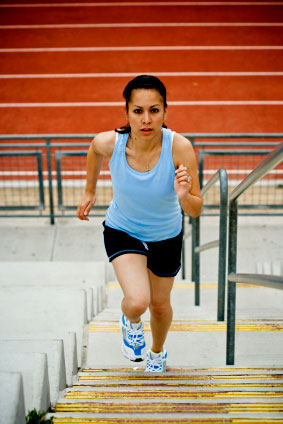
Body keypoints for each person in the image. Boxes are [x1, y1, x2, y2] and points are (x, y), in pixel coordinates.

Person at [77, 75, 202, 373]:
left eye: (155, 110)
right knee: (137, 302)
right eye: (138, 111)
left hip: (166, 235)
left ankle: (157, 353)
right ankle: (130, 322)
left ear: (166, 112)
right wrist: (90, 191)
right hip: (124, 230)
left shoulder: (180, 148)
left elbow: (195, 209)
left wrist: (183, 195)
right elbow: (94, 150)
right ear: (127, 112)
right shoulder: (112, 143)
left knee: (159, 306)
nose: (146, 120)